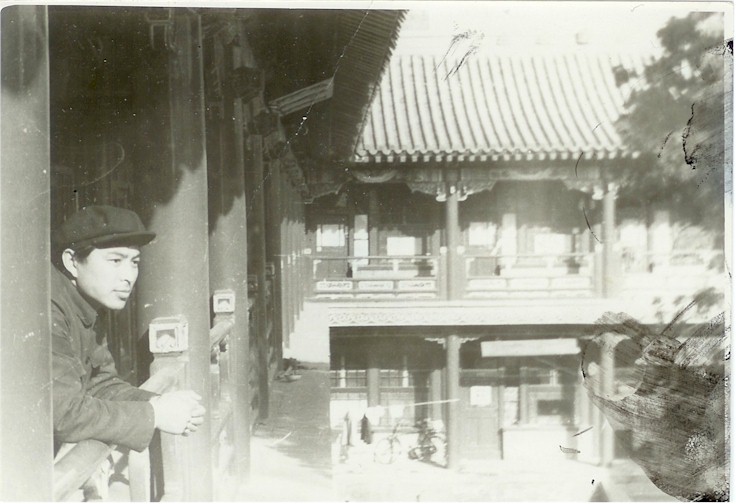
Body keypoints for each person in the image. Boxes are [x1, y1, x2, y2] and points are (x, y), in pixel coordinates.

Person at [51, 205, 205, 455]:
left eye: (134, 262)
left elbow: (100, 383)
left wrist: (155, 401)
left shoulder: (85, 301)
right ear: (72, 261)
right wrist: (154, 415)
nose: (128, 276)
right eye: (115, 260)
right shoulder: (46, 309)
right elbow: (63, 414)